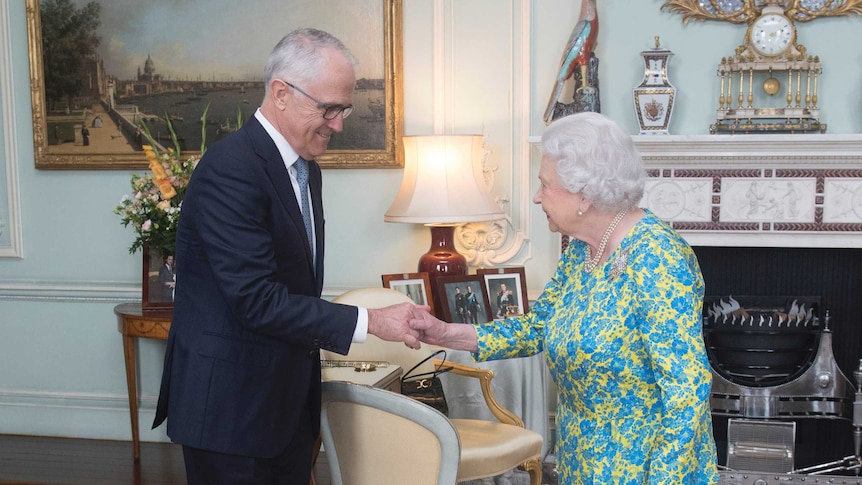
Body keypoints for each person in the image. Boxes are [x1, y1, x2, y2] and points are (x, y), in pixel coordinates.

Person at [152, 28, 424, 484]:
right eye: (329, 109)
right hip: (231, 416)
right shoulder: (231, 169)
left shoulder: (304, 169)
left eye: (344, 108)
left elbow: (294, 287)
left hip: (283, 411)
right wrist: (373, 321)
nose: (338, 123)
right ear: (281, 94)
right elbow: (257, 300)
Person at [410, 112, 719, 484]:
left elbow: (687, 390)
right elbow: (539, 327)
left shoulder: (657, 258)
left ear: (584, 194)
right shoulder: (582, 250)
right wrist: (446, 333)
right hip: (582, 459)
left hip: (643, 467)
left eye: (545, 185)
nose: (538, 197)